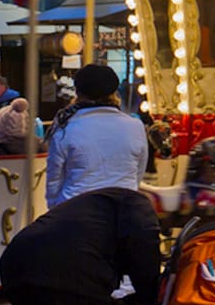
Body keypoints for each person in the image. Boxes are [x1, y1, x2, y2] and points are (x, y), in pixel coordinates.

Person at [0, 186, 159, 305]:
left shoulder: (99, 207)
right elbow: (145, 258)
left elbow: (86, 296)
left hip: (16, 265)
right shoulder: (139, 204)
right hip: (63, 269)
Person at [44, 65, 146, 208]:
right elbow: (138, 172)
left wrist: (54, 208)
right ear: (114, 92)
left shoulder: (65, 127)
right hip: (123, 207)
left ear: (78, 92)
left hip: (76, 207)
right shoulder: (136, 126)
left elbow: (54, 178)